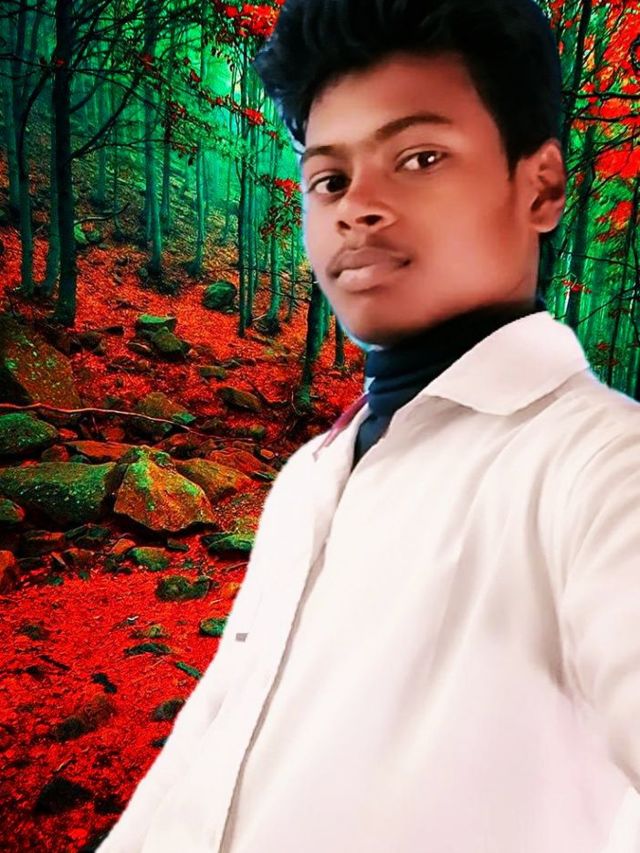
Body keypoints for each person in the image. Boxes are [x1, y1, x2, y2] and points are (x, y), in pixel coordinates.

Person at [97, 1, 640, 851]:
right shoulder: (312, 473)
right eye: (330, 180)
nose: (359, 207)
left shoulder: (600, 466)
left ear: (540, 186)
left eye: (419, 158)